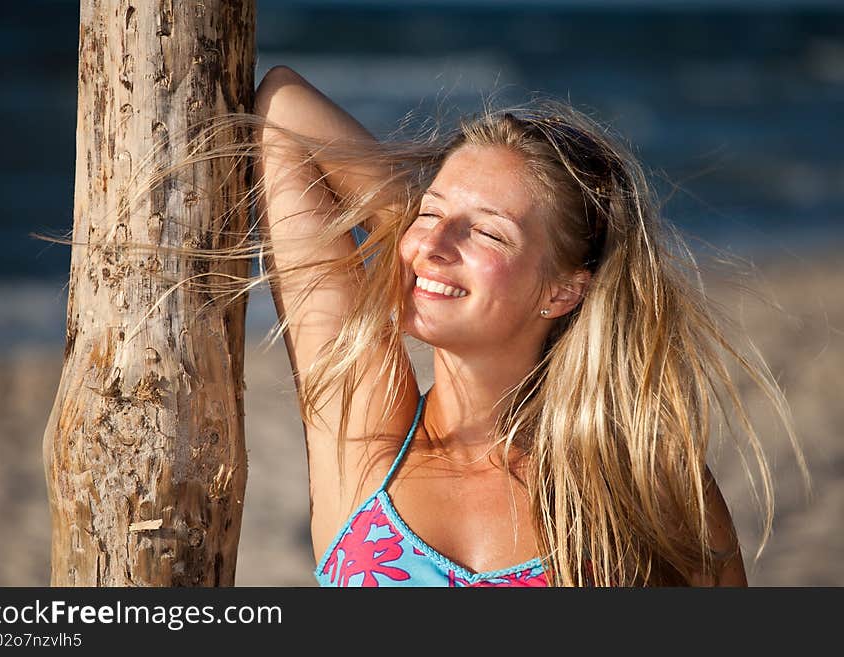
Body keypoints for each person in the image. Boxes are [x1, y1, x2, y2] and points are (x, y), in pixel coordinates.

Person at [244, 64, 804, 587]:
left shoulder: (641, 482)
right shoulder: (363, 435)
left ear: (563, 290)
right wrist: (408, 236)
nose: (435, 244)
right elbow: (283, 109)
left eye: (488, 233)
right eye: (431, 212)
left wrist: (432, 245)